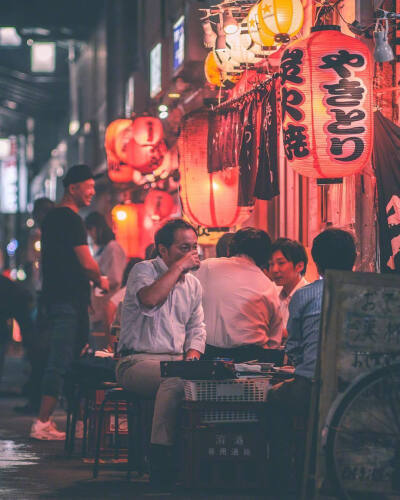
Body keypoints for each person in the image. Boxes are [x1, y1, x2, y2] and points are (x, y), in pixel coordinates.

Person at [116, 218, 206, 486]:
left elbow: (197, 328)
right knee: (174, 382)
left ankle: (191, 465)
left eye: (194, 247)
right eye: (183, 248)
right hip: (134, 362)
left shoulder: (193, 285)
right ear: (162, 250)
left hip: (175, 362)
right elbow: (150, 300)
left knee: (193, 380)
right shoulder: (142, 270)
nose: (192, 254)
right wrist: (179, 267)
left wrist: (192, 357)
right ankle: (160, 462)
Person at [267, 228, 357, 495]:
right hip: (356, 387)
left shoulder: (304, 296)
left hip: (312, 389)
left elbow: (294, 348)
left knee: (274, 400)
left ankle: (285, 482)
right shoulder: (365, 291)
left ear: (315, 262)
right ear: (353, 259)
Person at [30, 164, 109, 441]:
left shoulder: (51, 219)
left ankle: (79, 422)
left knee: (79, 361)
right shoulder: (71, 219)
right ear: (72, 188)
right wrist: (101, 280)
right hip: (68, 302)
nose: (91, 192)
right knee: (63, 361)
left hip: (61, 299)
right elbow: (86, 263)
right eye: (88, 187)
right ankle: (42, 422)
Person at [196, 227, 283, 362]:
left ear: (229, 250)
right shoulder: (268, 286)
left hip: (205, 358)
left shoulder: (206, 267)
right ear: (265, 258)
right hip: (252, 361)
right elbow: (274, 340)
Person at [15, 197, 55, 414]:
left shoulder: (48, 236)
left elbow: (35, 269)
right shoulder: (40, 236)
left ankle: (39, 402)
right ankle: (36, 398)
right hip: (42, 297)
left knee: (43, 351)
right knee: (39, 350)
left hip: (47, 299)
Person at [85, 212, 126, 349]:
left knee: (104, 350)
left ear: (96, 229)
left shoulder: (113, 247)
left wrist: (96, 281)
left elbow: (115, 278)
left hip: (107, 309)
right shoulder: (101, 250)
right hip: (97, 310)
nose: (90, 236)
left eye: (90, 231)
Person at [268, 237, 308, 332]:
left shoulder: (309, 297)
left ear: (299, 266)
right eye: (271, 264)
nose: (274, 270)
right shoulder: (272, 292)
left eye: (281, 263)